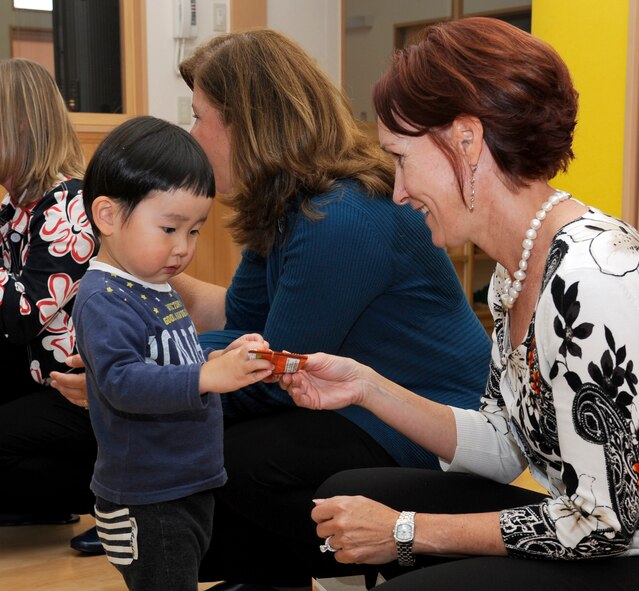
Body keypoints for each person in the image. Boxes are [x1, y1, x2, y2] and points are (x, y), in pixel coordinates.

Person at [278, 18, 639, 591]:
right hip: (610, 537)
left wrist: (407, 530)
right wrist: (366, 386)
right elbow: (503, 446)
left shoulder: (590, 284)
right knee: (344, 489)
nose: (397, 191)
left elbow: (600, 524)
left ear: (466, 142)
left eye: (401, 158)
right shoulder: (519, 267)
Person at [55, 28, 492, 588]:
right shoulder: (294, 204)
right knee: (217, 443)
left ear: (245, 122)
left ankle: (367, 565)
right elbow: (240, 323)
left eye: (199, 116)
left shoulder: (340, 216)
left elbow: (272, 370)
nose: (193, 134)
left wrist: (150, 376)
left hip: (431, 429)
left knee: (231, 457)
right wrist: (142, 273)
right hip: (358, 405)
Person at [75, 115, 274, 591]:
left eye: (194, 231)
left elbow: (173, 362)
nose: (183, 248)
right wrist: (206, 378)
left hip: (184, 483)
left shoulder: (154, 283)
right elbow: (123, 382)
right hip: (146, 497)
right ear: (107, 216)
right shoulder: (105, 297)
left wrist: (224, 360)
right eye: (169, 228)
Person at [0, 58, 97, 526]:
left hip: (85, 392)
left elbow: (23, 313)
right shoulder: (23, 201)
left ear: (18, 126)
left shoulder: (69, 205)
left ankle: (113, 498)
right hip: (42, 368)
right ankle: (20, 503)